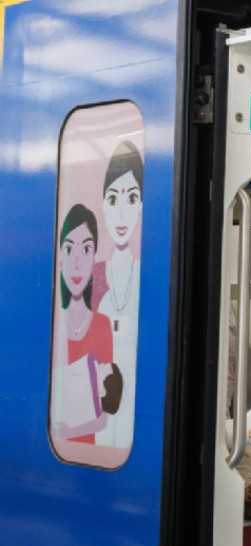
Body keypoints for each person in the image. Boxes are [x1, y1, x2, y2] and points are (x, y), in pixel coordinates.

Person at [94, 140, 143, 449]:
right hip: (98, 400)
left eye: (132, 198)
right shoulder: (92, 276)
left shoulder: (148, 276)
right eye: (113, 200)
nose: (122, 213)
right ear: (102, 206)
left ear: (141, 205)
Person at [55, 204, 114, 445]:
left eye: (86, 249)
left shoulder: (102, 326)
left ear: (94, 259)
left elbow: (106, 414)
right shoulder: (53, 326)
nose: (77, 263)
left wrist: (66, 432)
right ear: (59, 259)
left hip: (86, 456)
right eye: (69, 249)